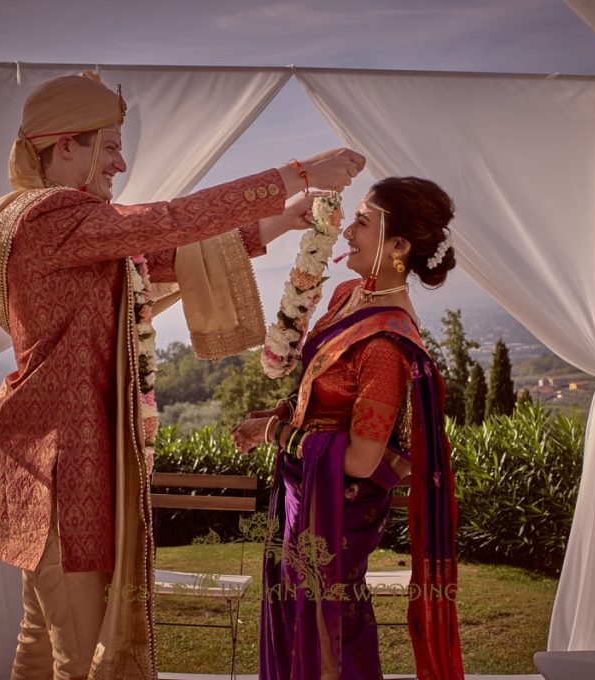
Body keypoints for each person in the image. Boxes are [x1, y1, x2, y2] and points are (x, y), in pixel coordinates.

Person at [0, 71, 365, 680]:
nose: (120, 161)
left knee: (39, 639)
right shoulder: (49, 217)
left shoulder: (62, 224)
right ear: (65, 147)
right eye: (108, 147)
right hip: (63, 465)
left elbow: (164, 255)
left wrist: (283, 218)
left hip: (49, 455)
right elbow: (166, 222)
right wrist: (297, 172)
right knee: (81, 657)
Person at [232, 177, 465, 679]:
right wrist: (275, 416)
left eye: (363, 222)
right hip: (304, 488)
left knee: (329, 623)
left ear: (398, 246)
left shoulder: (385, 345)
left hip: (338, 508)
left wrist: (277, 437)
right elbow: (319, 390)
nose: (347, 232)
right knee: (298, 616)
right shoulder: (347, 294)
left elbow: (362, 458)